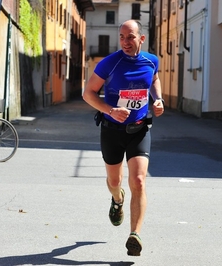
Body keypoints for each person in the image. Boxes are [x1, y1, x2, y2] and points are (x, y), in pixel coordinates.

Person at [82, 19, 164, 256]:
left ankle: (134, 235)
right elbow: (88, 94)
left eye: (130, 37)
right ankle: (117, 200)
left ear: (141, 38)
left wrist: (158, 99)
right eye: (122, 37)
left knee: (138, 180)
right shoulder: (110, 63)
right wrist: (110, 110)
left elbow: (155, 79)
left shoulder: (151, 60)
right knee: (116, 182)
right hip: (111, 130)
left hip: (139, 129)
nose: (126, 42)